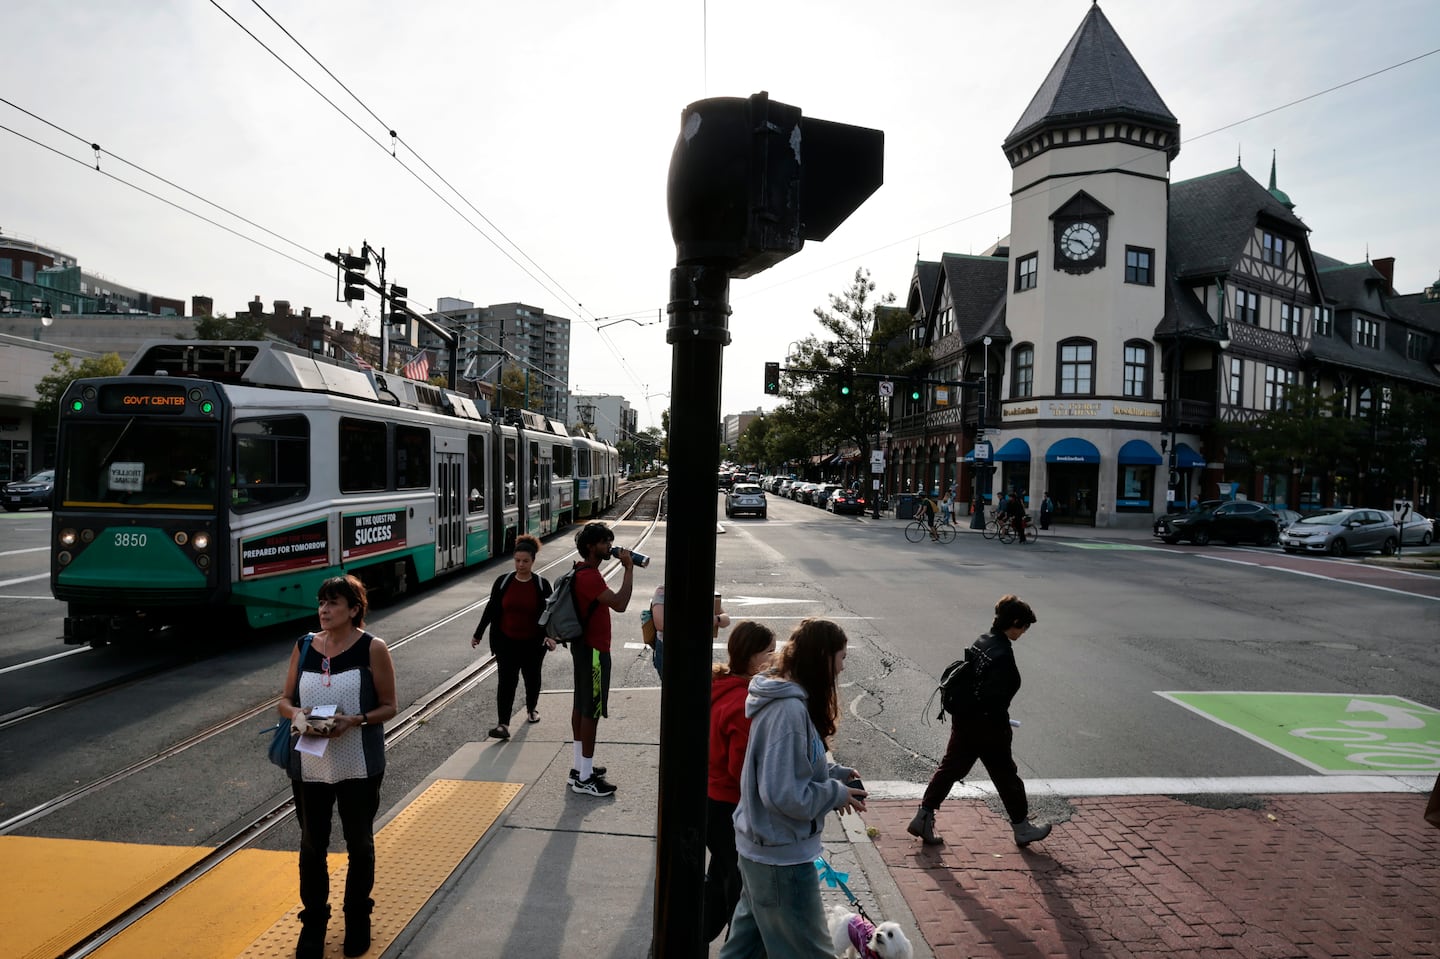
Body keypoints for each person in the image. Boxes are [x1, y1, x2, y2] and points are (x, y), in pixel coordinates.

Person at [718, 619, 868, 959]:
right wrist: (834, 794)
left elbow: (788, 767)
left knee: (745, 949)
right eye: (841, 657)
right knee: (811, 953)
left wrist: (833, 773)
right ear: (823, 658)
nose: (843, 666)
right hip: (781, 859)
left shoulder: (786, 701)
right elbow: (784, 794)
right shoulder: (789, 711)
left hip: (763, 852)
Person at [277, 574, 398, 959]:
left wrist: (355, 720)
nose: (324, 610)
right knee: (312, 844)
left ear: (354, 609)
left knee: (359, 843)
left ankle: (357, 917)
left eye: (333, 604)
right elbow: (283, 700)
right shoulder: (304, 646)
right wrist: (297, 713)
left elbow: (390, 706)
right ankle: (314, 922)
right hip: (310, 764)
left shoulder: (372, 648)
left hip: (359, 763)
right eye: (322, 603)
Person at [907, 594, 1050, 848]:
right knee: (1006, 776)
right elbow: (994, 696)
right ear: (1015, 622)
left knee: (950, 769)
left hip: (965, 720)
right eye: (1024, 626)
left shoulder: (982, 641)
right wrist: (1002, 725)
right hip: (988, 727)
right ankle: (1022, 828)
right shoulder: (1003, 653)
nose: (1025, 632)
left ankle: (923, 816)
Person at [703, 622, 777, 943]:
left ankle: (696, 933)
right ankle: (738, 944)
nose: (776, 658)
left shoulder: (721, 688)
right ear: (752, 660)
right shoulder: (742, 704)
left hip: (710, 799)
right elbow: (742, 770)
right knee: (738, 883)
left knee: (722, 875)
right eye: (770, 652)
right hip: (728, 805)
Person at [569, 522, 635, 797]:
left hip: (584, 648)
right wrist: (629, 569)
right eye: (605, 542)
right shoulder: (590, 577)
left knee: (581, 706)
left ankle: (579, 767)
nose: (610, 546)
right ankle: (584, 777)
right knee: (591, 711)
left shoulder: (582, 572)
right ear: (590, 546)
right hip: (594, 652)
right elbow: (620, 604)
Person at [471, 534, 555, 740]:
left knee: (532, 679)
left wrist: (552, 637)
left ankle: (531, 709)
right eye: (517, 560)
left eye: (525, 561)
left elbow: (550, 614)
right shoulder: (503, 582)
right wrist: (478, 633)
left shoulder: (542, 585)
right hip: (506, 643)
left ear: (533, 561)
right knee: (506, 683)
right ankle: (503, 724)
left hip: (533, 644)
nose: (521, 565)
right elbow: (491, 609)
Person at [648, 584, 731, 678]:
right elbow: (660, 624)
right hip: (670, 649)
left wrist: (716, 619)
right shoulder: (663, 591)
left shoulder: (702, 590)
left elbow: (726, 620)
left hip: (696, 648)